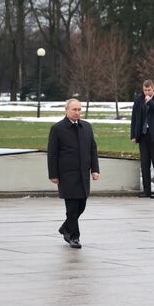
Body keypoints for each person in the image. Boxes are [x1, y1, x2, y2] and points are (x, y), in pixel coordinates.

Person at [47, 98, 100, 249]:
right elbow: (52, 154)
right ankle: (74, 237)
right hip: (66, 175)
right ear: (66, 110)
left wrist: (95, 169)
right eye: (74, 109)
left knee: (81, 206)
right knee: (71, 208)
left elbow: (93, 150)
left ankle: (65, 228)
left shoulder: (87, 127)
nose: (77, 112)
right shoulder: (57, 128)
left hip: (83, 174)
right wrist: (53, 174)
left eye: (79, 110)